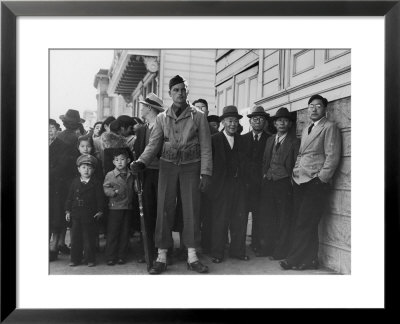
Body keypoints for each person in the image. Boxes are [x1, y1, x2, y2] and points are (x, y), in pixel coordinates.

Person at [131, 75, 212, 274]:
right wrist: (141, 161)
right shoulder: (161, 117)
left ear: (187, 93)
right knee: (164, 208)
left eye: (183, 90)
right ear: (170, 93)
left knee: (191, 208)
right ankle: (161, 256)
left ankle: (192, 256)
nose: (180, 93)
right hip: (167, 166)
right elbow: (154, 144)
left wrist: (206, 173)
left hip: (191, 165)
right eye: (175, 90)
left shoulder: (198, 116)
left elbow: (206, 147)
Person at [280, 94, 342, 271]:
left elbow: (332, 156)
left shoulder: (329, 127)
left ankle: (293, 259)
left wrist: (321, 179)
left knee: (305, 222)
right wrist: (294, 173)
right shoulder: (307, 128)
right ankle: (309, 260)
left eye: (318, 106)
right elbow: (301, 155)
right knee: (306, 221)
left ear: (325, 109)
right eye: (310, 106)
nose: (313, 109)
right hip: (300, 180)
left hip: (315, 182)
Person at [205, 105, 249, 263]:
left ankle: (237, 251)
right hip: (221, 187)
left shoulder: (242, 140)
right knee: (220, 220)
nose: (233, 124)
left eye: (236, 121)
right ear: (223, 122)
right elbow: (208, 164)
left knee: (239, 219)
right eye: (230, 120)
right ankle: (217, 253)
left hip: (238, 186)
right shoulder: (214, 140)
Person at [257, 107, 300, 259]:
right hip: (269, 182)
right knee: (267, 217)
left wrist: (290, 181)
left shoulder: (294, 142)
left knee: (283, 218)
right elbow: (265, 161)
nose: (282, 123)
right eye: (279, 120)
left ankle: (281, 251)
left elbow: (296, 164)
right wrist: (264, 175)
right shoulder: (270, 140)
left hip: (284, 183)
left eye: (285, 120)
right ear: (274, 124)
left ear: (289, 124)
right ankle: (267, 248)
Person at [134, 93, 165, 263]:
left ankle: (162, 252)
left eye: (144, 106)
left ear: (151, 109)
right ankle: (148, 251)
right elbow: (139, 154)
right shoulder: (142, 129)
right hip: (145, 175)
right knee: (147, 212)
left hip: (161, 174)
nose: (142, 108)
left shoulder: (163, 127)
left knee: (161, 213)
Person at [65, 154, 104, 267]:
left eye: (90, 168)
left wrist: (100, 210)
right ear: (78, 169)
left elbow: (100, 198)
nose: (86, 170)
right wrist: (67, 211)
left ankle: (90, 259)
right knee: (75, 238)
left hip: (90, 215)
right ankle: (75, 259)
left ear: (94, 170)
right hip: (76, 214)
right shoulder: (75, 182)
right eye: (83, 167)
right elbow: (69, 198)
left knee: (89, 238)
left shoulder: (95, 183)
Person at [241, 106, 270, 253]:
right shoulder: (243, 138)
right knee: (242, 215)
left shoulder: (270, 139)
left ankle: (257, 244)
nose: (257, 121)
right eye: (254, 119)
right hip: (245, 185)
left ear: (265, 121)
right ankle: (239, 246)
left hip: (261, 185)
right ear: (250, 121)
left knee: (260, 216)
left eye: (260, 118)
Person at [103, 148, 135, 265]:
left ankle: (122, 255)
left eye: (122, 159)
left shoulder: (131, 174)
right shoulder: (110, 175)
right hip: (115, 207)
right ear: (113, 162)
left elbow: (135, 187)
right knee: (113, 232)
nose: (120, 162)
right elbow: (106, 187)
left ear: (128, 160)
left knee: (125, 232)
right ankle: (111, 256)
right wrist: (113, 193)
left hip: (127, 207)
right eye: (117, 160)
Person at [49, 119, 69, 261]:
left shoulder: (62, 146)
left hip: (57, 186)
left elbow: (63, 166)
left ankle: (53, 248)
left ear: (57, 130)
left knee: (56, 218)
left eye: (52, 128)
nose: (49, 131)